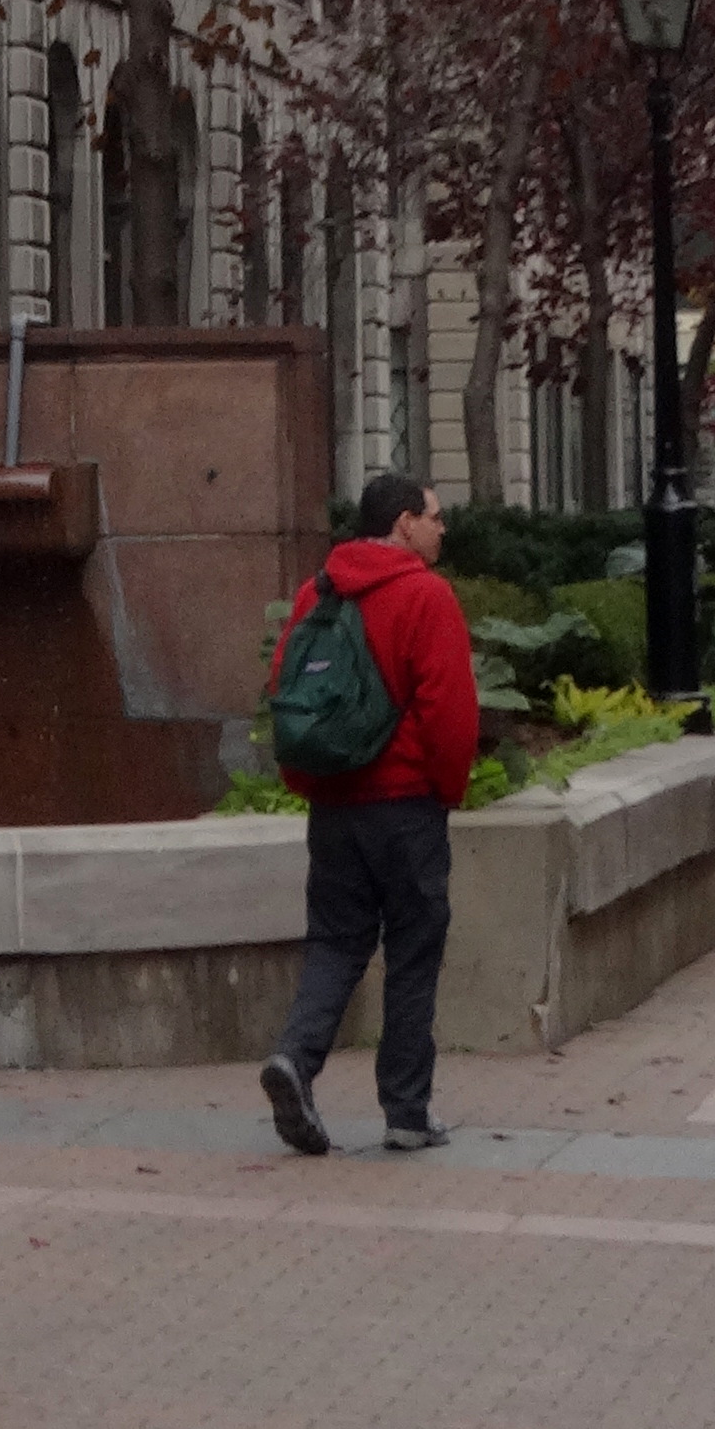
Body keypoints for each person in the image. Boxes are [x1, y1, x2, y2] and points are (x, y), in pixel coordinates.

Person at [257, 469, 479, 1158]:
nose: (443, 528)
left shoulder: (316, 592)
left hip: (335, 805)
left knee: (335, 940)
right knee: (413, 948)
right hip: (406, 805)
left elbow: (285, 691)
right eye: (435, 516)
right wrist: (447, 790)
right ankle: (407, 1112)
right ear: (404, 522)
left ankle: (296, 1058)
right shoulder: (426, 594)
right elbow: (448, 711)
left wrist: (310, 782)